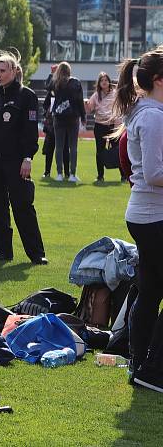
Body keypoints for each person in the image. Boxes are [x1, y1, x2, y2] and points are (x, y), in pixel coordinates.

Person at [114, 48, 163, 393]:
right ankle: (152, 370)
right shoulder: (152, 115)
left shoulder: (145, 112)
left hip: (146, 214)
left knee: (150, 292)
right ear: (159, 80)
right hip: (153, 215)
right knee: (150, 293)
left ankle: (139, 363)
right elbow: (156, 173)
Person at [0, 53, 47, 265]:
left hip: (16, 161)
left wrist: (27, 157)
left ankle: (36, 253)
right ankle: (3, 250)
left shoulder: (27, 96)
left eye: (3, 71)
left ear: (14, 71)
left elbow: (30, 130)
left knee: (23, 206)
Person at [49, 61, 86, 183]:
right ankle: (72, 174)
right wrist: (83, 116)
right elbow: (80, 101)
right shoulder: (75, 82)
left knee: (59, 147)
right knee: (73, 147)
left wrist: (52, 74)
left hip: (59, 117)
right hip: (73, 117)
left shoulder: (56, 82)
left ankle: (59, 174)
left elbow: (47, 87)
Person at [86, 72, 119, 182]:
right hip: (100, 126)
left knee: (117, 149)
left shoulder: (115, 94)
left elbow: (120, 109)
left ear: (109, 82)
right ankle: (100, 176)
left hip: (113, 126)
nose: (104, 82)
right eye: (102, 80)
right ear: (99, 83)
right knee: (100, 151)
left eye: (105, 80)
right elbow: (89, 109)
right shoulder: (96, 95)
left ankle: (123, 175)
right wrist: (86, 103)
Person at [40, 67, 69, 179]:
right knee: (49, 148)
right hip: (51, 122)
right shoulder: (53, 87)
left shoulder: (68, 85)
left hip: (63, 121)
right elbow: (47, 87)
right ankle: (47, 171)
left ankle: (66, 172)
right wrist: (51, 74)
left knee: (64, 148)